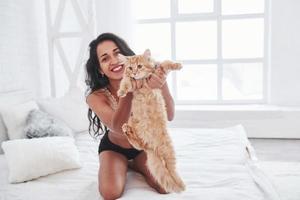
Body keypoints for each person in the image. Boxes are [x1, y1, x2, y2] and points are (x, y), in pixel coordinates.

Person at [85, 33, 175, 200]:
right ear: (100, 69)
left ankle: (135, 164)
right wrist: (129, 90)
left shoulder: (149, 76)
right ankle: (120, 163)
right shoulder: (95, 97)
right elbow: (118, 128)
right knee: (110, 193)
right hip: (114, 148)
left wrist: (161, 85)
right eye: (105, 59)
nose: (114, 60)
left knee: (165, 187)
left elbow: (170, 115)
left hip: (144, 145)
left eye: (117, 53)